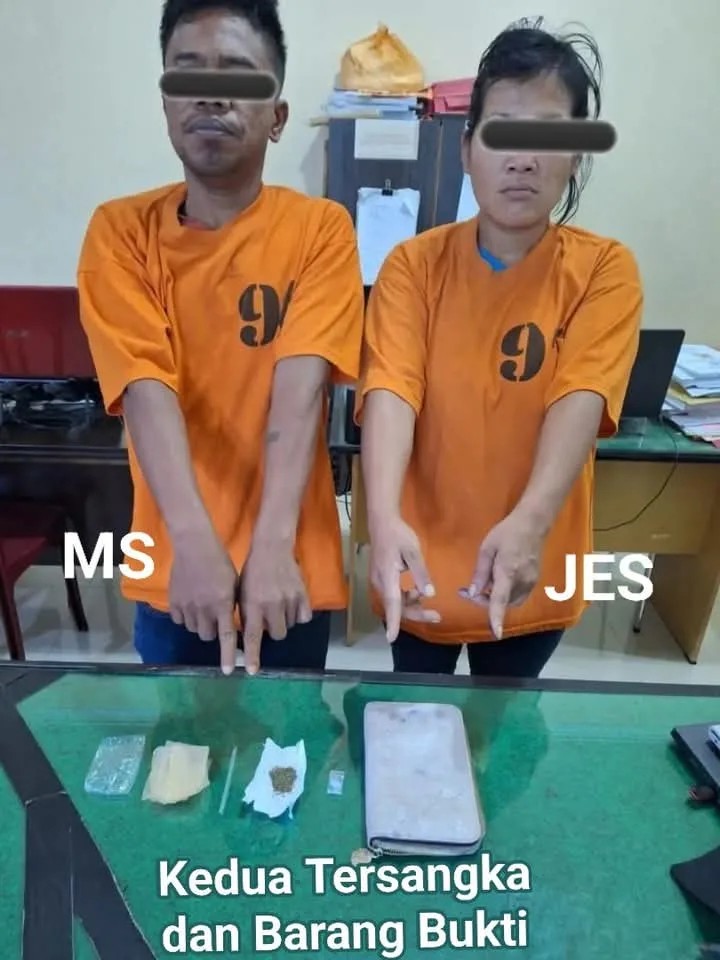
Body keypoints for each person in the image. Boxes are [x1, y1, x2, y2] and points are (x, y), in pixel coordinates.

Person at [78, 0, 364, 676]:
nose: (210, 94)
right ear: (166, 102)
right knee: (180, 735)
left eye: (236, 75)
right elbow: (144, 389)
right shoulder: (120, 233)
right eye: (188, 72)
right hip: (175, 565)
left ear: (277, 116)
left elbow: (301, 393)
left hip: (290, 564)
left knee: (287, 735)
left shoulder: (321, 230)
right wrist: (192, 543)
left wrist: (272, 547)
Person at [356, 21, 643, 678]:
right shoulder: (412, 267)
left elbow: (581, 396)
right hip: (422, 558)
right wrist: (381, 518)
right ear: (466, 149)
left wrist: (531, 524)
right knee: (416, 712)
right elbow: (392, 389)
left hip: (533, 558)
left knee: (505, 725)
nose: (523, 158)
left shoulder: (604, 271)